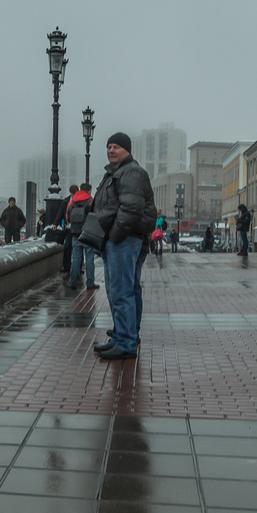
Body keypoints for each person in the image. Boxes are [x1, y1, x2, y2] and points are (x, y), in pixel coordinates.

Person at [92, 133, 155, 361]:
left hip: (124, 239)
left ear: (127, 150)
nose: (110, 150)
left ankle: (126, 342)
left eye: (116, 146)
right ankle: (122, 337)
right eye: (108, 146)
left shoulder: (131, 172)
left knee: (121, 291)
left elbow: (130, 209)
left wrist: (114, 236)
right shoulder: (118, 172)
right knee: (126, 290)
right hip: (124, 238)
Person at [66, 184, 96, 289]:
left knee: (76, 259)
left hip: (75, 233)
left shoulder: (72, 201)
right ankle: (90, 283)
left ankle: (73, 282)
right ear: (89, 190)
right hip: (88, 233)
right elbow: (95, 216)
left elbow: (68, 217)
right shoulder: (91, 201)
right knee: (89, 258)